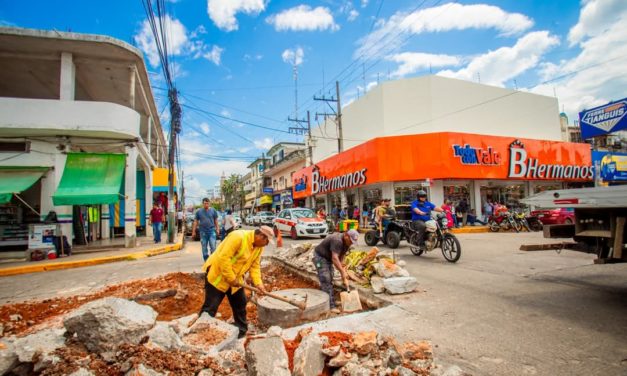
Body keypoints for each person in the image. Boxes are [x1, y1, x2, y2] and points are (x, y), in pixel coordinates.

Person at [199, 226, 275, 338]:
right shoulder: (238, 237)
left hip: (236, 279)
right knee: (211, 306)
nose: (267, 244)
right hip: (218, 277)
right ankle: (200, 332)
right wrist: (231, 278)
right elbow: (223, 258)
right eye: (267, 241)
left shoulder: (258, 247)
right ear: (260, 236)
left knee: (240, 303)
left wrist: (259, 284)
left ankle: (241, 331)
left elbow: (255, 266)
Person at [313, 229, 359, 313]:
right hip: (320, 257)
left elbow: (341, 255)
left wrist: (343, 270)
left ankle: (331, 300)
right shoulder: (337, 240)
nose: (351, 243)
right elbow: (334, 258)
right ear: (346, 235)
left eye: (353, 241)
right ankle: (330, 305)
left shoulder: (347, 242)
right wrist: (342, 272)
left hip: (328, 258)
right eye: (351, 240)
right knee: (326, 278)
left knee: (330, 277)